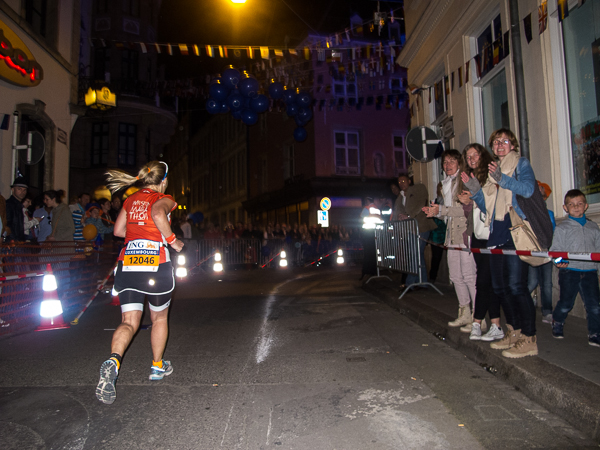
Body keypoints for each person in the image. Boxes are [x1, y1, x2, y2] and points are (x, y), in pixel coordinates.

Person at [96, 161, 184, 405]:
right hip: (156, 264)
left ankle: (114, 360)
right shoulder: (165, 198)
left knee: (128, 322)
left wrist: (138, 234)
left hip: (129, 264)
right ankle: (157, 366)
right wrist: (173, 241)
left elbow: (118, 231)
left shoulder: (130, 200)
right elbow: (157, 214)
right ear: (163, 180)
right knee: (159, 318)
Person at [464, 128, 539, 358]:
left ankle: (529, 338)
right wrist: (476, 191)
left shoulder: (520, 164)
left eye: (504, 141)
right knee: (500, 287)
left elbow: (528, 190)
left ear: (513, 145)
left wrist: (502, 179)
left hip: (514, 231)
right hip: (496, 233)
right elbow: (488, 207)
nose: (499, 144)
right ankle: (514, 331)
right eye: (496, 142)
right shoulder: (492, 169)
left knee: (517, 286)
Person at [423, 149, 476, 328]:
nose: (448, 165)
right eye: (445, 162)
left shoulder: (465, 181)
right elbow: (447, 214)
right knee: (455, 276)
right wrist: (435, 212)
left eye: (452, 161)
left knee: (469, 276)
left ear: (459, 163)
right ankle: (464, 312)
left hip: (465, 233)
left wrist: (441, 210)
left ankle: (478, 317)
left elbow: (466, 209)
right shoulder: (445, 184)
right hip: (451, 235)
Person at [459, 144, 504, 341]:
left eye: (475, 155)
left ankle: (478, 322)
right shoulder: (469, 178)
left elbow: (493, 204)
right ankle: (495, 324)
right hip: (477, 233)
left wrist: (474, 196)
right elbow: (470, 211)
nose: (471, 159)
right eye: (468, 157)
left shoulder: (491, 175)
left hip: (491, 233)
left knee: (484, 280)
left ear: (482, 155)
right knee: (486, 280)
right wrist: (467, 202)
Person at [550, 189, 600, 347]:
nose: (576, 207)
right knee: (566, 303)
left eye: (579, 204)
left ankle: (594, 333)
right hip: (569, 271)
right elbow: (555, 250)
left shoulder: (594, 227)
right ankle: (557, 321)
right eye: (571, 204)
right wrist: (559, 261)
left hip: (590, 272)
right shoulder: (562, 228)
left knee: (594, 306)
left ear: (586, 206)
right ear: (565, 208)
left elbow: (598, 250)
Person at [396, 175, 436, 286]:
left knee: (415, 254)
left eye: (403, 181)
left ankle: (409, 283)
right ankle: (422, 282)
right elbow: (398, 209)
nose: (401, 183)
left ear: (409, 181)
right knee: (417, 254)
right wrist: (399, 217)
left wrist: (409, 216)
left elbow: (421, 204)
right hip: (410, 228)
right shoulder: (400, 196)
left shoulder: (418, 188)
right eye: (399, 182)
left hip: (421, 226)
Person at [528, 181, 556, 324]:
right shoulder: (528, 213)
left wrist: (554, 253)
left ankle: (547, 311)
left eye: (542, 196)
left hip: (547, 252)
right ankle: (523, 305)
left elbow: (553, 232)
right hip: (533, 252)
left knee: (547, 284)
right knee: (532, 281)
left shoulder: (549, 214)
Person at [428, 182, 447, 284]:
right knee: (436, 256)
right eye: (439, 189)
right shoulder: (435, 201)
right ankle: (432, 277)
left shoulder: (448, 201)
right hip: (437, 233)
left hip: (446, 232)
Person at [5, 177, 29, 242]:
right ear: (12, 189)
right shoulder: (9, 205)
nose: (22, 192)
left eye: (24, 190)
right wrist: (14, 241)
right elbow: (7, 225)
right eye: (19, 189)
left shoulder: (18, 206)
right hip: (12, 243)